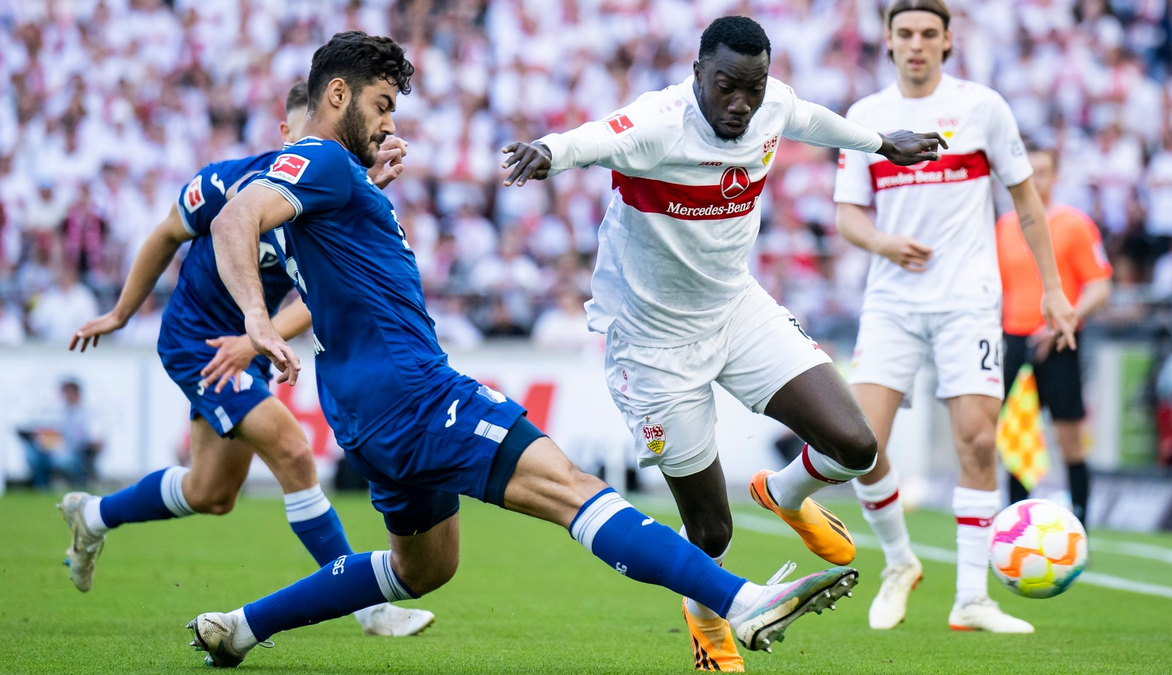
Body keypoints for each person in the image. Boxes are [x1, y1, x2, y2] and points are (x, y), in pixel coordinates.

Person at [192, 31, 857, 670]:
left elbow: (331, 250)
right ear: (338, 94)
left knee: (423, 567)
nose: (389, 123)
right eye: (381, 104)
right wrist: (257, 318)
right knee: (572, 489)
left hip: (359, 406)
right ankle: (743, 602)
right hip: (413, 393)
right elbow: (233, 217)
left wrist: (366, 190)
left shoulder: (335, 179)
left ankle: (240, 627)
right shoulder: (323, 160)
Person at [501, 16, 942, 671]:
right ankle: (707, 621)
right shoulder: (659, 123)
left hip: (736, 310)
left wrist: (883, 144)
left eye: (753, 88)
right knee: (711, 531)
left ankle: (783, 493)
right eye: (726, 86)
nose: (740, 103)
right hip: (653, 346)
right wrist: (548, 150)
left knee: (856, 446)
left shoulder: (770, 105)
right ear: (698, 74)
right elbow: (595, 138)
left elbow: (810, 119)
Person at [57, 81, 432, 637]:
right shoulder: (227, 182)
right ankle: (367, 606)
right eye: (308, 135)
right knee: (294, 452)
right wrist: (120, 312)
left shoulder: (333, 192)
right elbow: (165, 235)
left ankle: (92, 515)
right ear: (286, 132)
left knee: (211, 492)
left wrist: (256, 339)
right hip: (200, 342)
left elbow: (321, 297)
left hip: (249, 347)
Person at [833, 0, 1077, 634]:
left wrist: (1052, 289)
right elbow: (848, 215)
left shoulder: (983, 107)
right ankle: (899, 561)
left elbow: (1026, 204)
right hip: (891, 302)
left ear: (947, 41)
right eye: (905, 33)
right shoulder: (865, 117)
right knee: (858, 444)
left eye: (928, 33)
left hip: (967, 300)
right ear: (888, 41)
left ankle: (971, 597)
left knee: (978, 440)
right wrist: (884, 243)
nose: (916, 43)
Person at [997, 145, 1112, 526]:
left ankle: (1080, 524)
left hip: (1062, 340)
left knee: (1070, 440)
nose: (1035, 179)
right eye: (1028, 171)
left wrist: (1067, 318)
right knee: (1017, 440)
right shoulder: (1005, 226)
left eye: (1043, 171)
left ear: (1056, 176)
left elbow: (1100, 285)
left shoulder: (1074, 224)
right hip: (1015, 341)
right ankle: (1015, 526)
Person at [22, 378, 101, 488]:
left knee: (63, 460)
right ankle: (42, 489)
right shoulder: (63, 411)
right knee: (33, 456)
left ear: (76, 393)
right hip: (55, 450)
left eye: (67, 393)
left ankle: (73, 485)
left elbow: (95, 439)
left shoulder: (88, 412)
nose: (64, 396)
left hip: (76, 452)